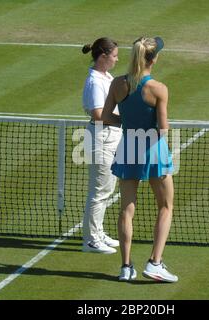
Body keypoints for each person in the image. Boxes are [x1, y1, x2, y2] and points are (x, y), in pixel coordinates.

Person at [102, 37, 178, 282]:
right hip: (154, 149)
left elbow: (105, 117)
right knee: (166, 206)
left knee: (126, 208)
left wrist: (130, 124)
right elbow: (163, 129)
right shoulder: (158, 88)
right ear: (153, 59)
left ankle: (126, 267)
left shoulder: (117, 84)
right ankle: (155, 262)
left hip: (128, 146)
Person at [81, 37, 123, 254]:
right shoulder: (95, 81)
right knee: (99, 192)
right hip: (101, 139)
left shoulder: (105, 76)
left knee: (107, 189)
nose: (117, 60)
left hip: (110, 137)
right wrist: (123, 120)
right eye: (114, 56)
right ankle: (90, 240)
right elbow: (98, 115)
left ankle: (98, 233)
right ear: (103, 56)